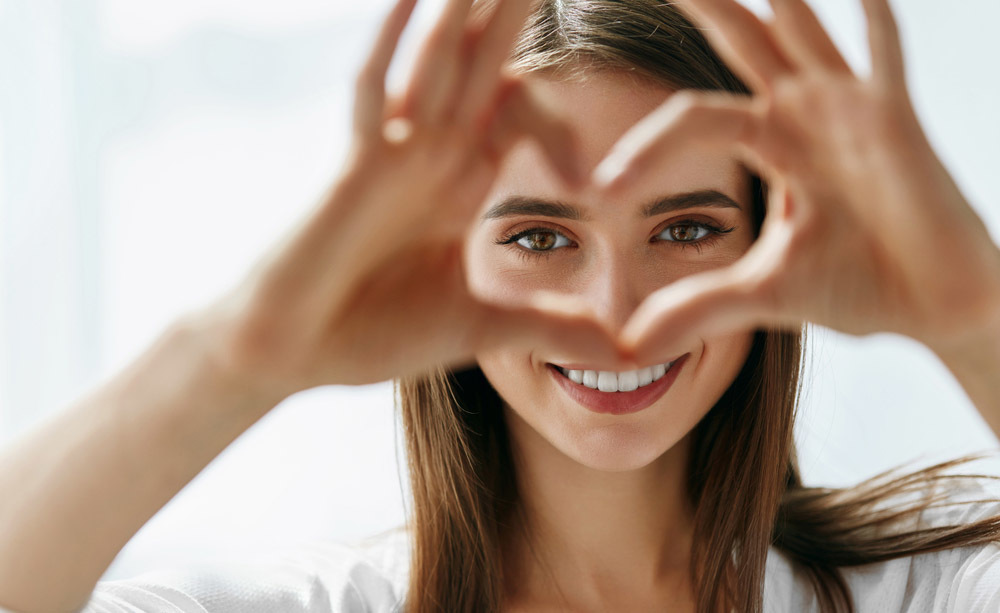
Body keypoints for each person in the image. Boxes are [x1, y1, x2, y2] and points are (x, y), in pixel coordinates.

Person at [2, 0, 1000, 611]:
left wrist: (975, 317)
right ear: (451, 259)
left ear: (770, 238)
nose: (615, 306)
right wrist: (234, 358)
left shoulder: (923, 593)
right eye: (538, 236)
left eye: (687, 228)